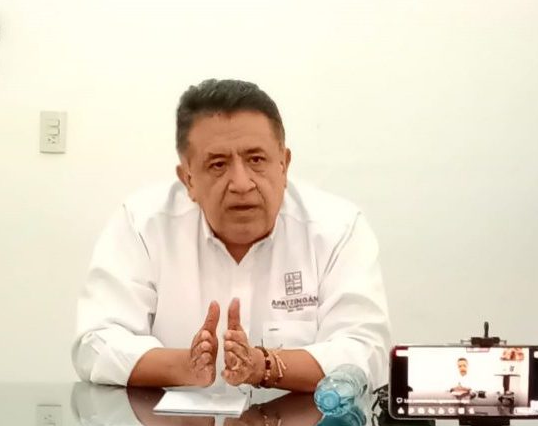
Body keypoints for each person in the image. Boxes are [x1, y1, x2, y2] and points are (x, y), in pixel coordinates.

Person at [72, 78, 391, 392]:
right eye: (218, 164)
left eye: (256, 160)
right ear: (188, 179)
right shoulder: (142, 225)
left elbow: (366, 352)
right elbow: (95, 344)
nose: (241, 183)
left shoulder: (337, 229)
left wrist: (264, 366)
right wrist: (184, 366)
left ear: (284, 164)